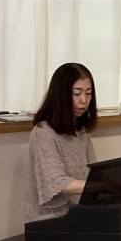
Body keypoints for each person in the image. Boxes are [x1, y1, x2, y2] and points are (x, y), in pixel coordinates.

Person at [24, 63, 98, 222]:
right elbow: (57, 183)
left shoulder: (81, 132)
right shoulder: (43, 132)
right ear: (60, 95)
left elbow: (94, 173)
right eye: (76, 93)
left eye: (88, 93)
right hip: (49, 219)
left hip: (78, 213)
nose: (84, 100)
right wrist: (100, 186)